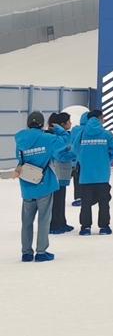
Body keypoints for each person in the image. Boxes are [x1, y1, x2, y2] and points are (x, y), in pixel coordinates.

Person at [14, 111, 75, 261]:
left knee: (26, 222)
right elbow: (66, 141)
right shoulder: (48, 139)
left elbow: (19, 159)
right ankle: (41, 252)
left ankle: (26, 253)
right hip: (44, 184)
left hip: (27, 186)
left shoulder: (20, 140)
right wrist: (59, 129)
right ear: (42, 124)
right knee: (43, 220)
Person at [73, 108, 113, 236]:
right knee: (104, 202)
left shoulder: (81, 134)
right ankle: (104, 227)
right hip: (102, 175)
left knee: (86, 204)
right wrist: (106, 160)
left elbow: (75, 149)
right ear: (100, 118)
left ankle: (85, 228)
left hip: (85, 175)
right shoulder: (106, 134)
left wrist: (83, 160)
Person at [46, 113, 76, 234]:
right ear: (62, 124)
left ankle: (61, 222)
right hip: (57, 172)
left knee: (61, 199)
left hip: (63, 172)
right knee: (56, 200)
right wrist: (73, 154)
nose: (71, 123)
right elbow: (59, 155)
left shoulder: (63, 136)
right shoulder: (56, 137)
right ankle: (54, 225)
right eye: (69, 121)